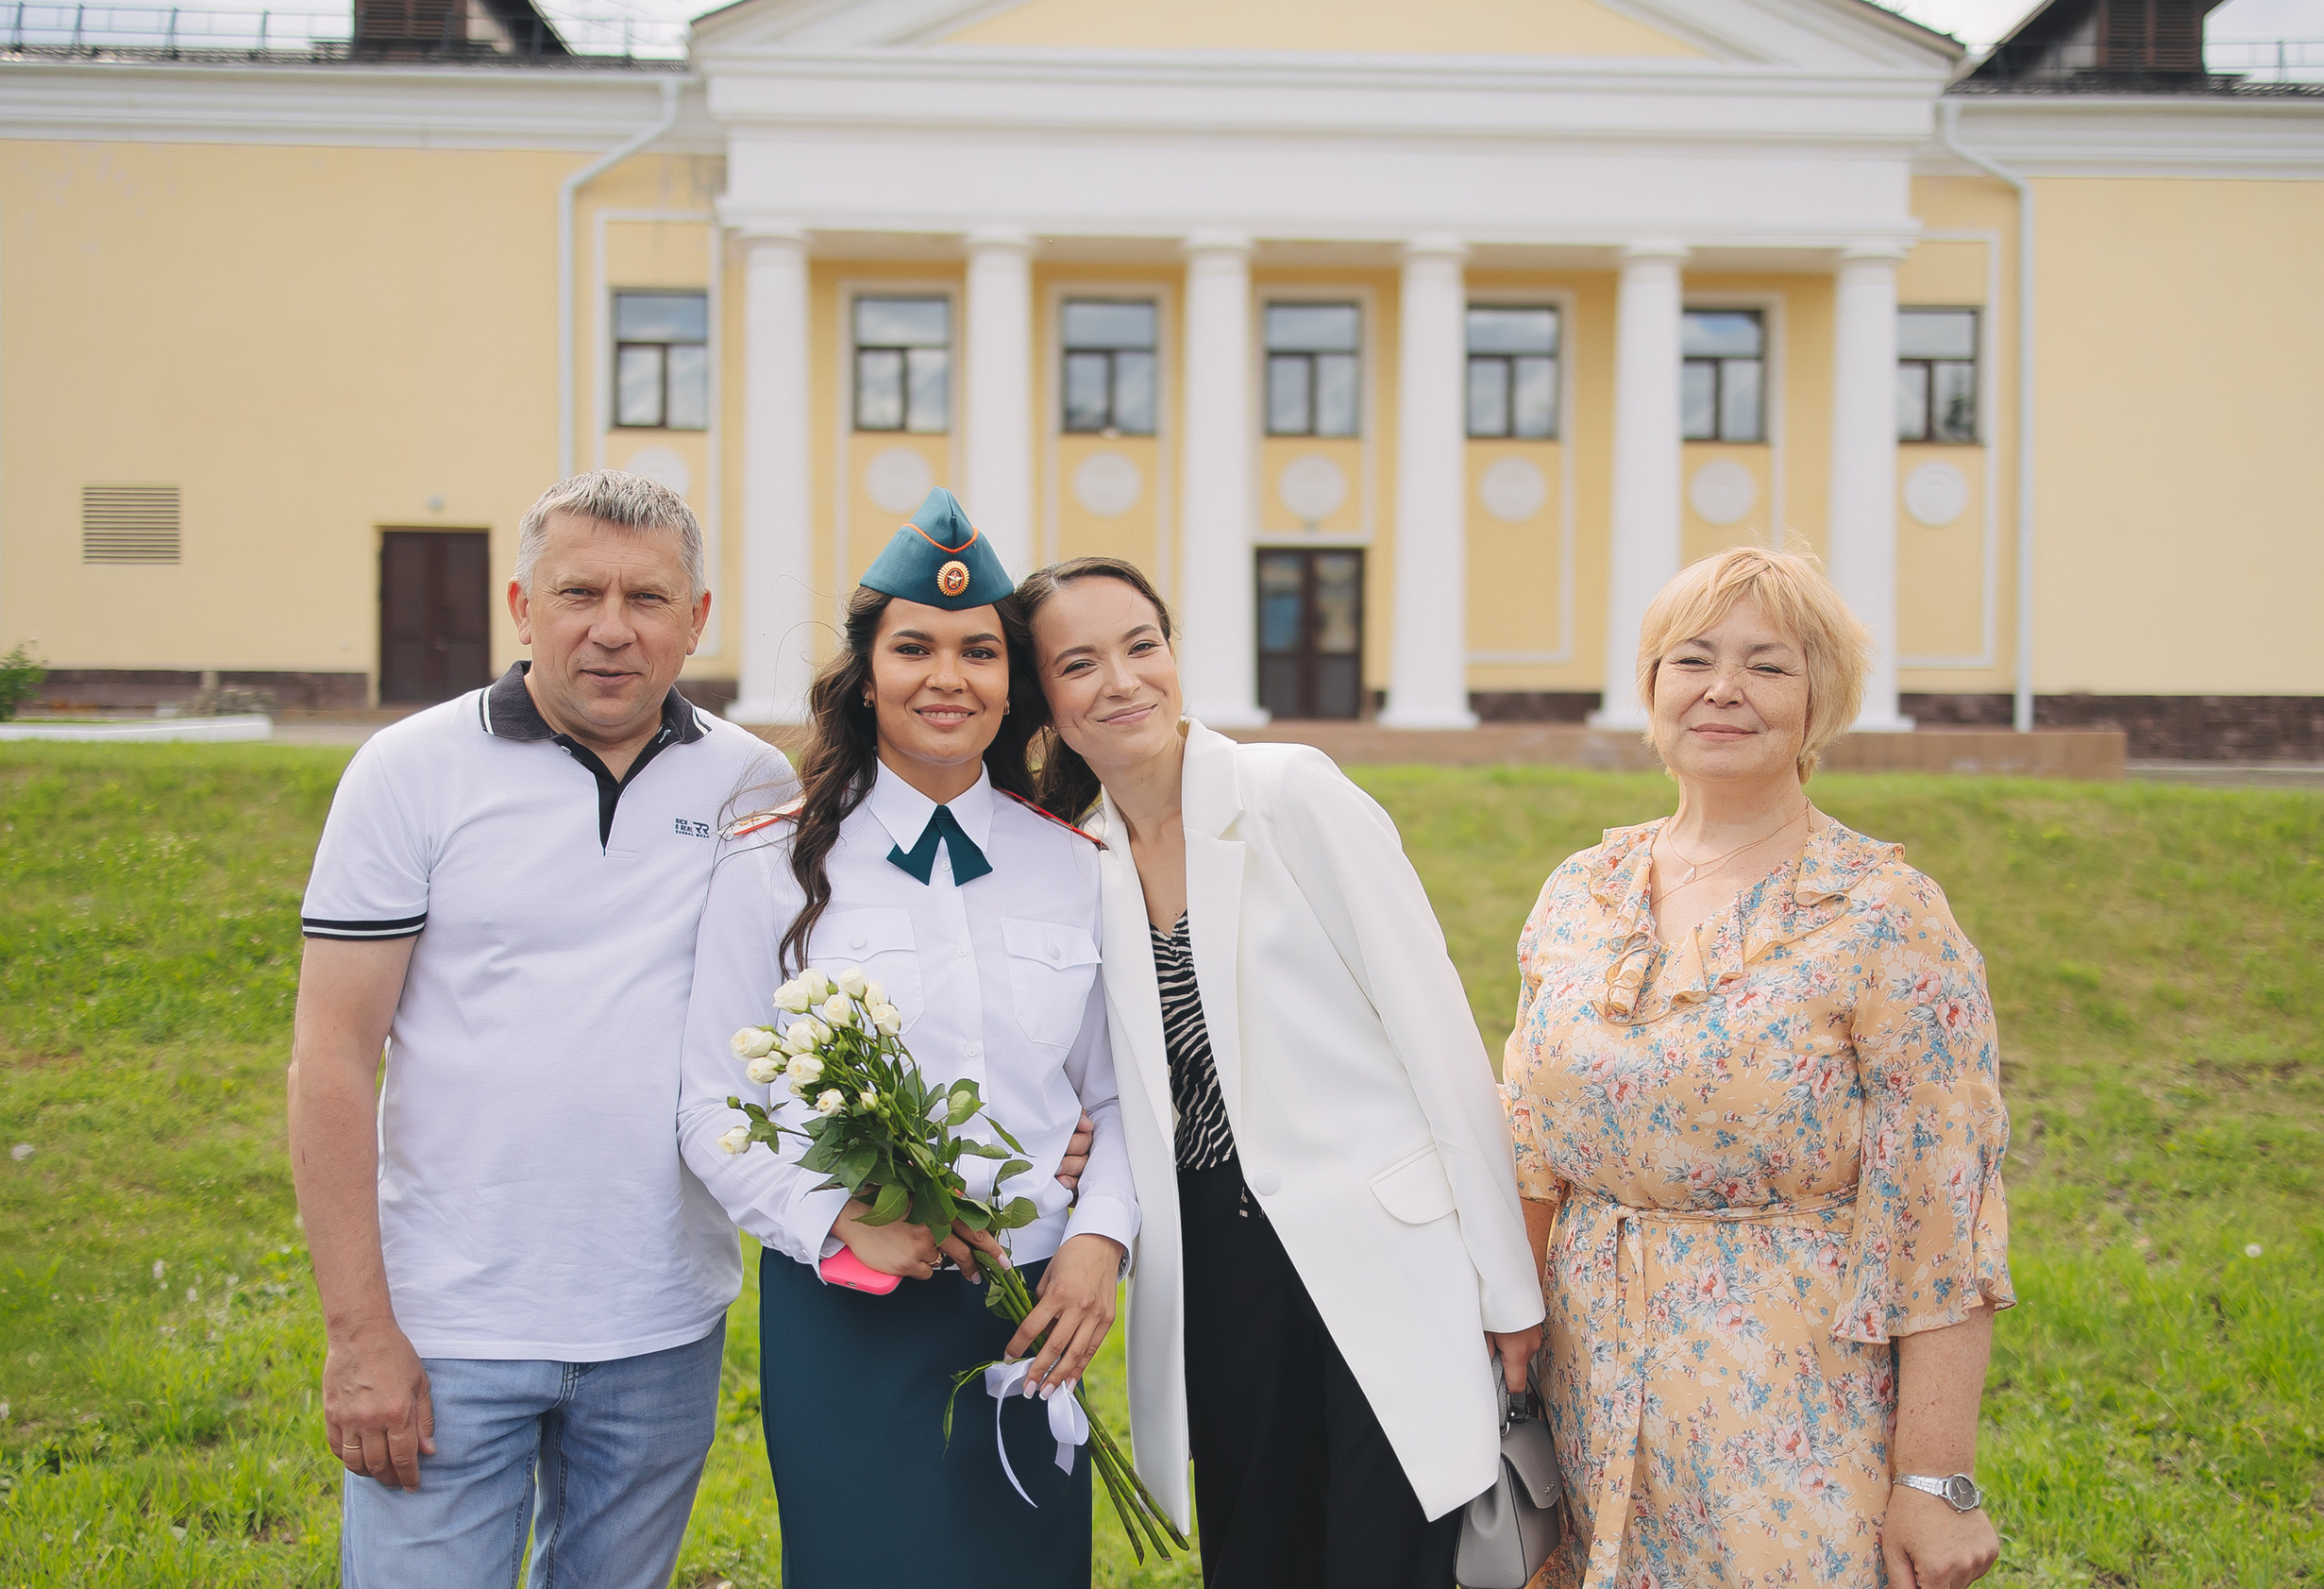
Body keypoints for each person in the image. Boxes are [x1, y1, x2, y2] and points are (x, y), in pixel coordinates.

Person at [290, 470, 792, 1586]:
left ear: (697, 618)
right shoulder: (410, 773)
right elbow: (331, 1057)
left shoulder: (752, 782)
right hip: (448, 1326)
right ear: (522, 605)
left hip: (662, 1323)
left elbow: (816, 1007)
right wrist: (360, 1335)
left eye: (649, 600)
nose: (612, 629)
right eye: (578, 593)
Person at [1014, 555, 1546, 1589]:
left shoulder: (1289, 793)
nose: (1121, 681)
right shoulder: (1071, 859)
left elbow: (1435, 1036)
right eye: (1078, 664)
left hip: (1380, 1251)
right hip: (1212, 1262)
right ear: (1044, 700)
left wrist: (1507, 1284)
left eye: (1141, 646)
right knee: (1259, 1550)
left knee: (1389, 1554)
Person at [1503, 546, 2014, 1589]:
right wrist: (1505, 1347)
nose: (1723, 689)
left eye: (1768, 666)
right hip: (1584, 1389)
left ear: (1819, 701)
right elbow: (1526, 1140)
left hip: (1789, 1406)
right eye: (1692, 659)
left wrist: (1933, 1479)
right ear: (1650, 687)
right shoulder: (1580, 889)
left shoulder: (1881, 911)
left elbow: (1940, 1212)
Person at [676, 492, 1137, 1589]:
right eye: (914, 648)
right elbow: (707, 1103)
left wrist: (1096, 1245)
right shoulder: (769, 864)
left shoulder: (1077, 866)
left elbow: (1119, 1100)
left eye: (980, 651)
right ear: (866, 672)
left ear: (1011, 682)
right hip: (850, 1306)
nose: (948, 678)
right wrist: (836, 1222)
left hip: (1030, 1305)